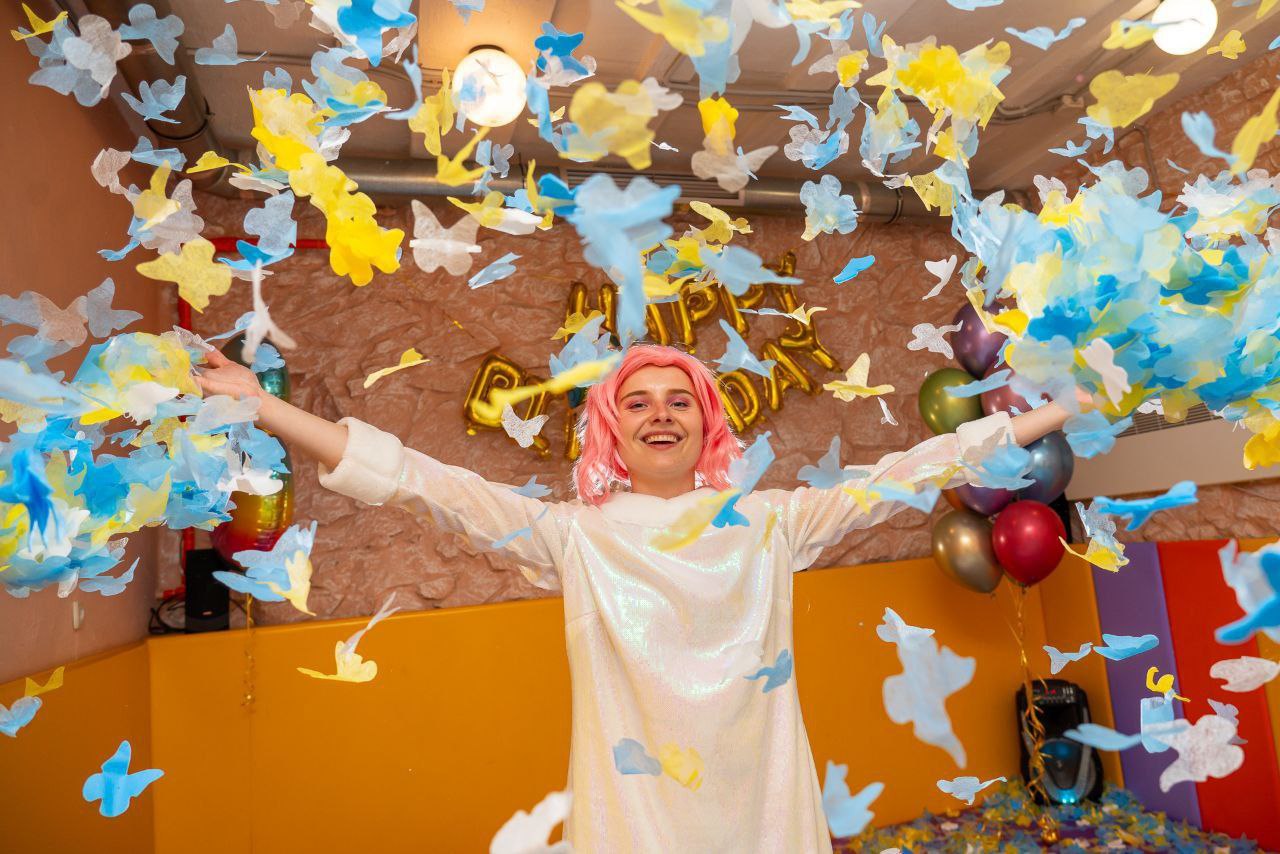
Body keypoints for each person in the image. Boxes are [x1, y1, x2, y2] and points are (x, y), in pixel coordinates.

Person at [195, 342, 1081, 852]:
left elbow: (914, 471)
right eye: (639, 403)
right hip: (635, 828)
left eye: (679, 401)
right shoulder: (576, 536)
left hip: (767, 821)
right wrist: (261, 406)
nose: (661, 414)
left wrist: (1057, 411)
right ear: (612, 431)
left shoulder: (771, 522)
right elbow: (421, 482)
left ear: (707, 424)